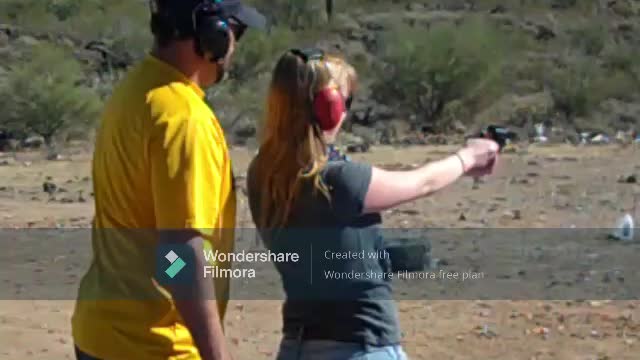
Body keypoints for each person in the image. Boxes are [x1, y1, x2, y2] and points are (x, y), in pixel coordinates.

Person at [246, 48, 500, 360]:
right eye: (344, 103)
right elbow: (423, 182)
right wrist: (468, 157)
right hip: (358, 346)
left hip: (298, 346)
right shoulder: (337, 179)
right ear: (329, 108)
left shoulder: (263, 175)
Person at [71, 1, 266, 359]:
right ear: (215, 36)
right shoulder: (184, 120)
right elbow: (178, 257)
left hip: (101, 332)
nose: (236, 46)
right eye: (236, 32)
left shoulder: (137, 89)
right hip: (153, 344)